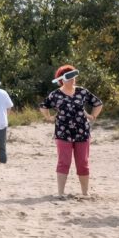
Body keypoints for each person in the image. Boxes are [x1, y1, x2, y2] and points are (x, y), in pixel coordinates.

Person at [39, 65, 103, 199]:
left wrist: (93, 116)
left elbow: (98, 103)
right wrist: (48, 117)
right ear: (61, 80)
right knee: (64, 161)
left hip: (82, 132)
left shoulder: (82, 92)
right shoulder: (55, 94)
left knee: (83, 162)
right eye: (69, 77)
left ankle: (85, 193)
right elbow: (43, 106)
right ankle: (60, 193)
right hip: (63, 132)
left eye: (74, 77)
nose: (73, 80)